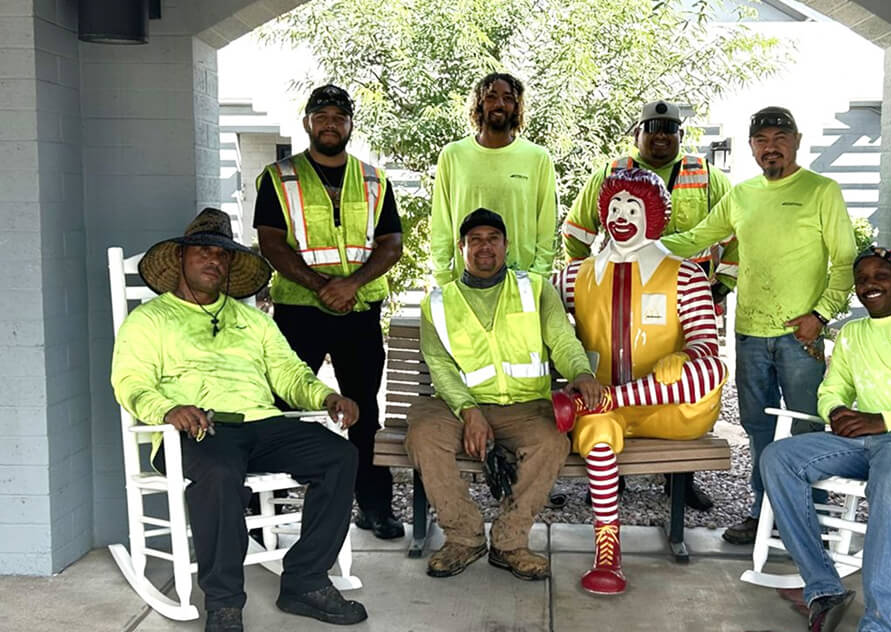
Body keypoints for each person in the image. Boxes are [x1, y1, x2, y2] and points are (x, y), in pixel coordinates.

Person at [111, 209, 368, 632]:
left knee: (339, 455)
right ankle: (225, 602)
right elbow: (130, 382)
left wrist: (325, 395)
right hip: (196, 429)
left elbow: (288, 373)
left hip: (261, 425)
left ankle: (305, 580)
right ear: (180, 258)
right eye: (203, 252)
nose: (214, 260)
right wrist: (167, 410)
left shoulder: (251, 321)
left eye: (222, 254)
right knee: (219, 468)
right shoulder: (149, 320)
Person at [662, 106, 857, 545]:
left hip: (800, 336)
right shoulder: (742, 194)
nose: (771, 147)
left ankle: (816, 519)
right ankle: (761, 511)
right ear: (752, 147)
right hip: (749, 333)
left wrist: (821, 315)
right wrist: (641, 246)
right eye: (762, 140)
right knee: (758, 428)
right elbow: (697, 238)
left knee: (809, 426)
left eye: (779, 138)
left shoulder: (821, 191)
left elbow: (845, 261)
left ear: (797, 141)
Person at [759, 248, 891, 632]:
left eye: (881, 275)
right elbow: (832, 387)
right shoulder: (853, 334)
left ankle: (878, 625)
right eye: (862, 279)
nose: (869, 284)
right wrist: (835, 411)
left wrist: (885, 419)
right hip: (868, 442)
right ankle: (824, 589)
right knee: (779, 458)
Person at [552, 169, 728, 595]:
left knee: (711, 374)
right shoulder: (575, 275)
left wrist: (685, 355)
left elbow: (707, 342)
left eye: (633, 208)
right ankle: (607, 552)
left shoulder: (685, 275)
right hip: (607, 413)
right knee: (596, 434)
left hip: (670, 408)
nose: (622, 216)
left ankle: (592, 402)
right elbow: (538, 320)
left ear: (653, 215)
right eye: (614, 207)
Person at [405, 208, 602, 580]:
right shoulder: (437, 303)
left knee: (553, 441)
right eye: (475, 240)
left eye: (493, 239)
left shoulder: (537, 289)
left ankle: (510, 542)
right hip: (459, 408)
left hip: (526, 407)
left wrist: (580, 371)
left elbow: (561, 339)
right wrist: (469, 412)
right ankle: (464, 537)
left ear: (506, 245)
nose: (484, 247)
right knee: (423, 434)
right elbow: (441, 368)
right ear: (461, 247)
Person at [563, 99, 737, 511]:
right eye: (652, 127)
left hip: (685, 298)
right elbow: (576, 230)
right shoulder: (608, 173)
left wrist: (722, 283)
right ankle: (609, 481)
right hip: (614, 302)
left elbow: (735, 231)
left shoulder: (706, 175)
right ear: (637, 133)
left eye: (669, 129)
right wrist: (586, 278)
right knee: (602, 415)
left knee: (692, 370)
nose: (661, 136)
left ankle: (679, 483)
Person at [253, 84, 405, 539]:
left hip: (358, 311)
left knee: (365, 413)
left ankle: (374, 508)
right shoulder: (279, 177)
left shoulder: (375, 179)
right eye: (322, 115)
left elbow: (391, 244)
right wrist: (322, 287)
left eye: (339, 116)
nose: (330, 123)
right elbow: (271, 243)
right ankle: (265, 514)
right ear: (307, 123)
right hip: (301, 310)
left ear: (351, 124)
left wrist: (350, 285)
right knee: (281, 407)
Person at [430, 72, 557, 286]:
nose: (499, 104)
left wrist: (537, 279)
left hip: (521, 283)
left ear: (517, 108)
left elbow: (546, 227)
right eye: (491, 97)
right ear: (479, 104)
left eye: (508, 98)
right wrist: (444, 278)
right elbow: (441, 222)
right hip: (466, 284)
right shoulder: (453, 155)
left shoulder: (537, 158)